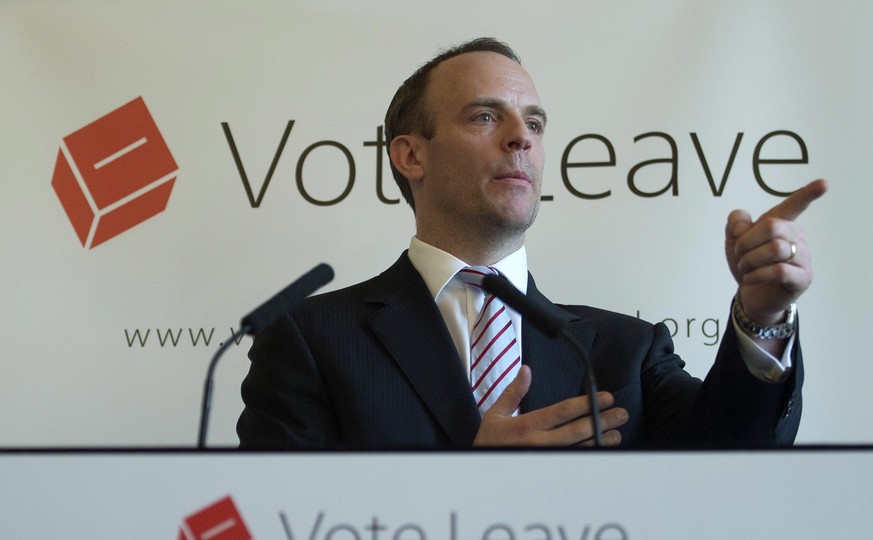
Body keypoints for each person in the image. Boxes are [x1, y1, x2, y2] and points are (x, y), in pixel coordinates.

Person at [237, 38, 826, 449]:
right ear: (410, 154)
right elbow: (274, 532)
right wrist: (465, 480)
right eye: (485, 117)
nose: (521, 137)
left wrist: (764, 315)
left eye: (535, 123)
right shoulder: (313, 339)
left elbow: (734, 459)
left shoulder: (623, 350)